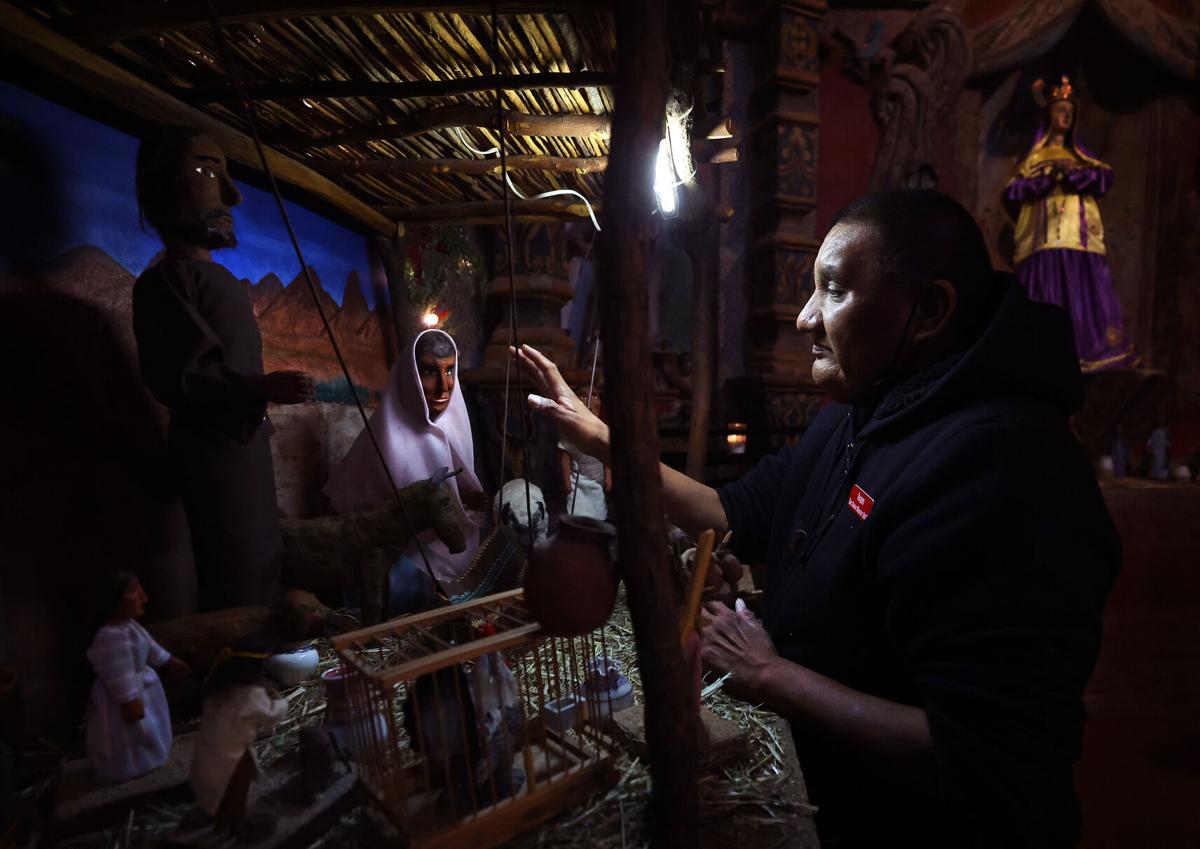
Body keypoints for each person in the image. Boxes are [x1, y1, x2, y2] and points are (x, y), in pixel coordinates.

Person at [518, 190, 1120, 847]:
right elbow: (731, 510)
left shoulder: (1008, 473)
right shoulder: (863, 411)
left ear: (929, 311)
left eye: (833, 289)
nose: (804, 317)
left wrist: (770, 673)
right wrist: (601, 438)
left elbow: (981, 753)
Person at [131, 126, 314, 611]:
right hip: (212, 453)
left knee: (258, 558)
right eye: (207, 170)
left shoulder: (220, 281)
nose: (231, 194)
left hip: (243, 447)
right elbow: (183, 373)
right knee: (233, 563)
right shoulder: (167, 282)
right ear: (164, 186)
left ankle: (259, 645)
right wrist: (259, 387)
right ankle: (235, 650)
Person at [324, 329, 489, 602]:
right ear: (409, 375)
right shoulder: (383, 436)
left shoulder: (454, 424)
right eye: (429, 372)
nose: (444, 386)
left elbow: (452, 494)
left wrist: (465, 500)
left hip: (452, 551)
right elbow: (350, 514)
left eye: (450, 370)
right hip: (401, 558)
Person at [1005, 75, 1136, 372]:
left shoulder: (1080, 156)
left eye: (1069, 112)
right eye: (1060, 110)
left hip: (1078, 233)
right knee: (1044, 288)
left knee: (1080, 288)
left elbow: (1104, 178)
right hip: (1043, 233)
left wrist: (1071, 174)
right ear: (1049, 114)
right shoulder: (1035, 157)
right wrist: (1049, 178)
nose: (1065, 116)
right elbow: (1014, 191)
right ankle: (1042, 353)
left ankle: (1086, 349)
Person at [85, 571, 190, 783]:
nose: (143, 597)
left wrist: (168, 661)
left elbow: (149, 647)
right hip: (125, 697)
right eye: (133, 591)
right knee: (128, 733)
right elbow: (117, 670)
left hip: (144, 690)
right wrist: (129, 699)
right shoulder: (109, 637)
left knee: (151, 725)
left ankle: (150, 755)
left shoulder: (130, 627)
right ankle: (127, 765)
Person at [188, 637, 287, 839]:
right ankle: (236, 826)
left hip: (208, 753)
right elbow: (270, 714)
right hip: (232, 756)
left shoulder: (215, 689)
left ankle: (221, 824)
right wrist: (280, 701)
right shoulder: (249, 695)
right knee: (235, 790)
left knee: (218, 795)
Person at [558, 392, 610, 520]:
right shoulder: (570, 430)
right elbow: (565, 454)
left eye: (595, 396)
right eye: (583, 396)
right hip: (578, 482)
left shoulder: (603, 429)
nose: (589, 402)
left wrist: (608, 476)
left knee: (598, 515)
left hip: (597, 483)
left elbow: (606, 453)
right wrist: (567, 482)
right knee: (577, 515)